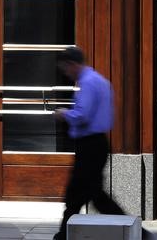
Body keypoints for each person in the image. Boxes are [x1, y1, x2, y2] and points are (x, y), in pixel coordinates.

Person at [53, 46, 124, 240]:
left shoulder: (88, 83)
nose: (65, 73)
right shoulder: (99, 81)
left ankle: (62, 235)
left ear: (72, 64)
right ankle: (135, 232)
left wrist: (63, 113)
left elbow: (82, 115)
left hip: (89, 145)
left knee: (77, 193)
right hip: (95, 144)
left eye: (65, 69)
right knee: (93, 194)